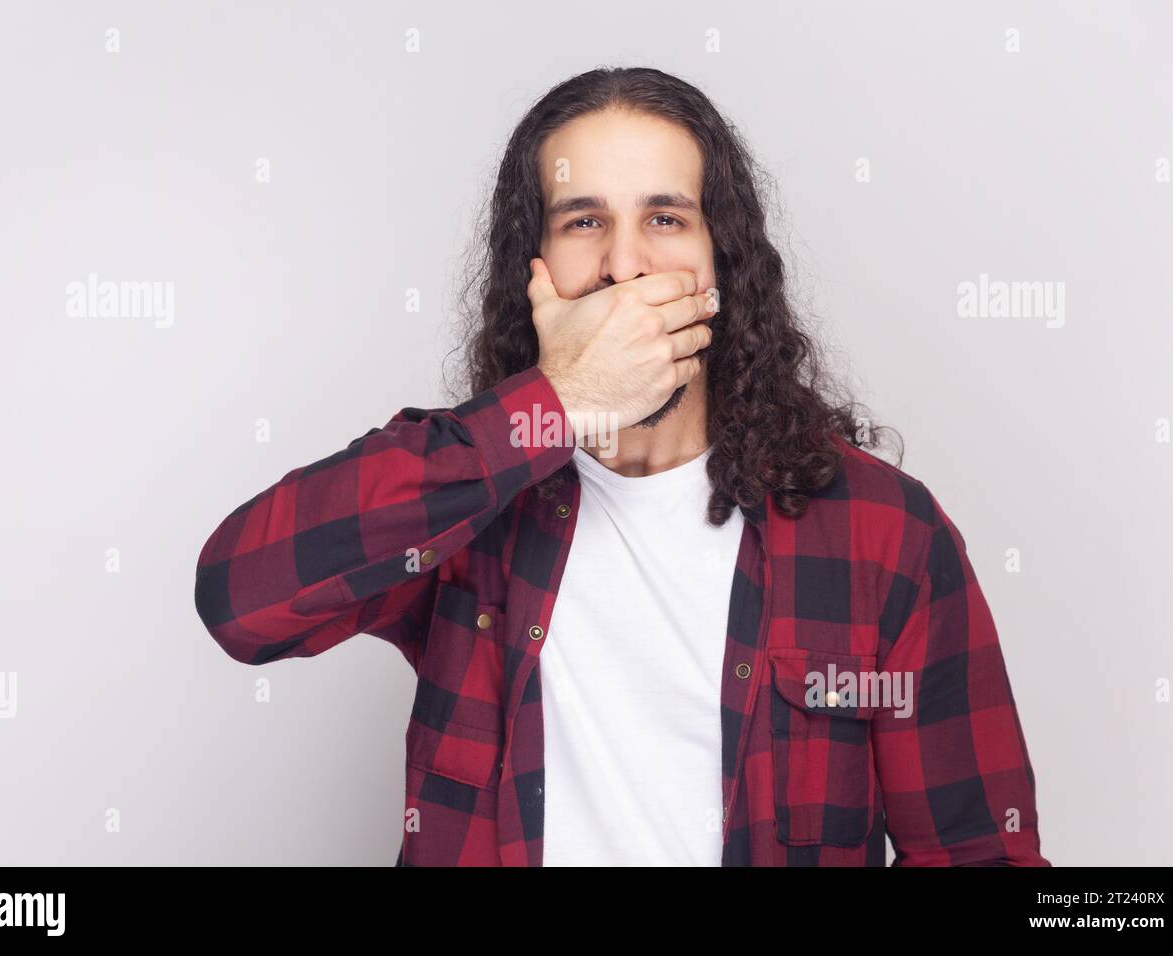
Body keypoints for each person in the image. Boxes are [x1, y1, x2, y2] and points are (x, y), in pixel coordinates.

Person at [193, 66, 1049, 867]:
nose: (626, 264)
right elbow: (244, 600)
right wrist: (559, 401)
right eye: (584, 221)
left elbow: (981, 853)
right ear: (534, 269)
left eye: (666, 219)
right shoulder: (465, 499)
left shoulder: (884, 531)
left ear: (725, 268)